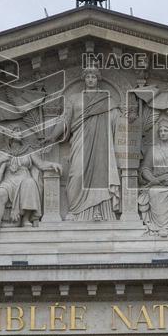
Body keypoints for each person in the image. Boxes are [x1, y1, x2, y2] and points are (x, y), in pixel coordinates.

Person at [50, 66, 121, 221]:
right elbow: (65, 119)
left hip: (101, 143)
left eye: (93, 77)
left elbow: (118, 119)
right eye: (88, 76)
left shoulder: (107, 99)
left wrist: (129, 119)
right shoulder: (74, 98)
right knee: (77, 173)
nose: (90, 79)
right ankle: (74, 210)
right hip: (80, 140)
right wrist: (52, 136)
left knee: (101, 175)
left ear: (98, 79)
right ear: (84, 79)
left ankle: (99, 210)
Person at [0, 126, 61, 239]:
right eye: (16, 131)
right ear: (9, 135)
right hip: (8, 180)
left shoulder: (28, 150)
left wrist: (52, 164)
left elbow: (41, 164)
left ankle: (25, 219)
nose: (20, 133)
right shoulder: (3, 152)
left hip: (24, 178)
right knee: (1, 193)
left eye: (20, 131)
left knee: (30, 183)